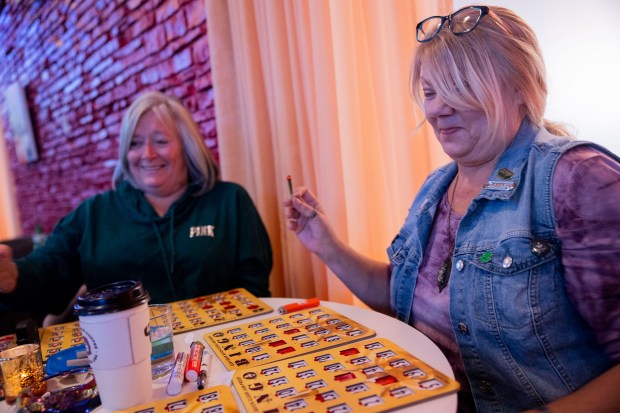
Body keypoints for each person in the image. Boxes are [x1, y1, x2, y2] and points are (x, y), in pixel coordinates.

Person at [284, 5, 619, 413]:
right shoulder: (436, 187)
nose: (436, 109)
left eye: (458, 86)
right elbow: (399, 298)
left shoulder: (577, 178)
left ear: (519, 85)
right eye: (429, 92)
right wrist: (327, 245)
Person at [0, 90, 272, 319]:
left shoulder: (230, 201)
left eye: (161, 141)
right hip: (123, 361)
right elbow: (49, 274)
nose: (148, 154)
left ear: (188, 147)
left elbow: (253, 294)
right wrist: (14, 276)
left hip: (220, 350)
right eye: (136, 143)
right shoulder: (93, 215)